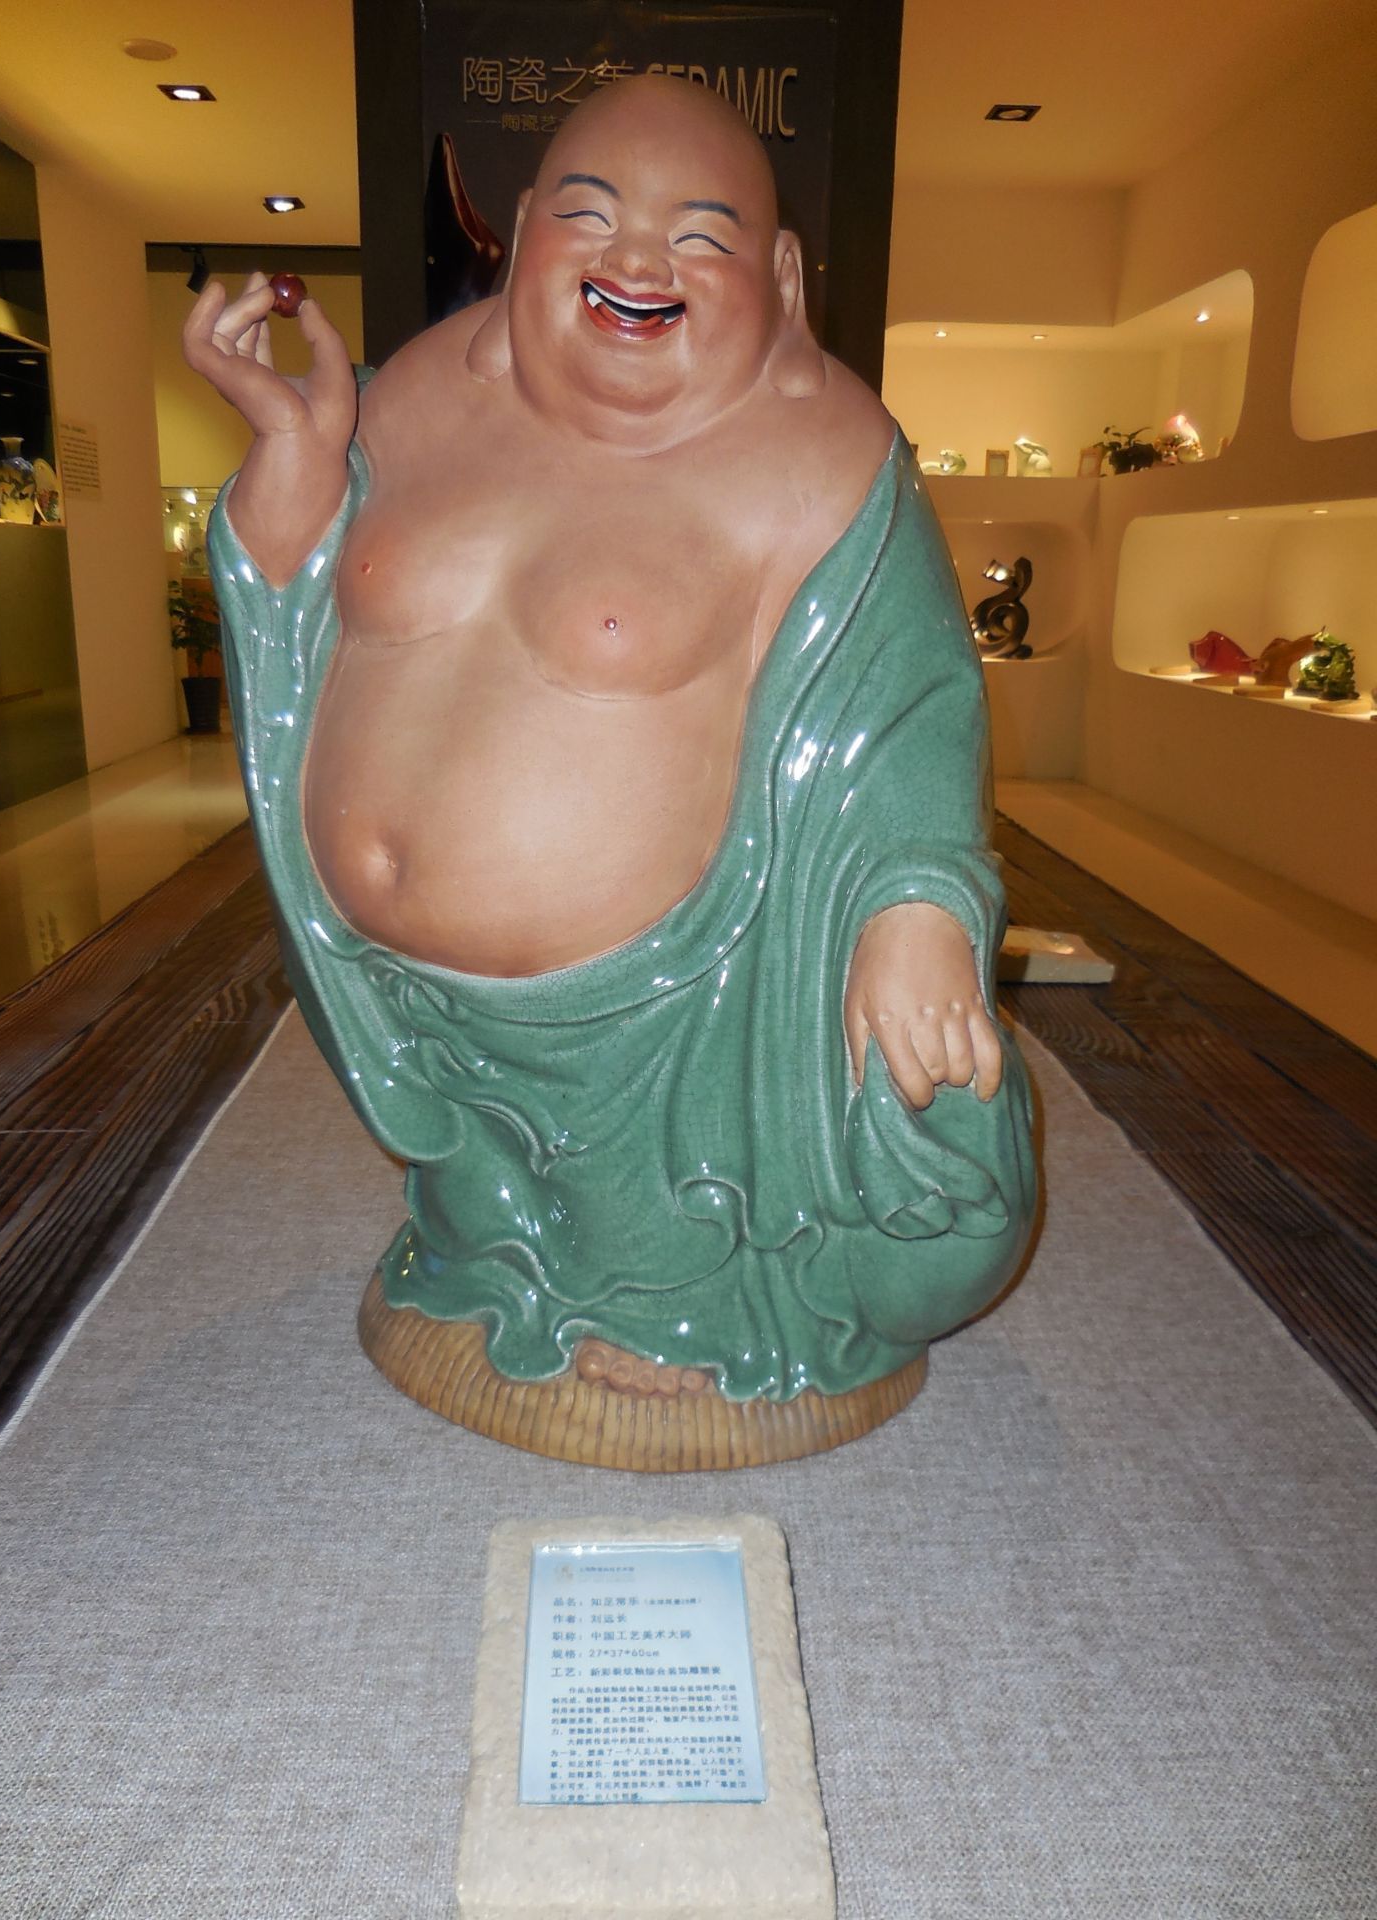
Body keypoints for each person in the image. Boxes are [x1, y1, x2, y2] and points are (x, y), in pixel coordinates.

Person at [185, 75, 1035, 1427]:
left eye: (697, 236)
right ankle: (495, 1241)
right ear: (524, 232)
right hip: (401, 1008)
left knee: (929, 1236)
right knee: (485, 1219)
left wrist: (916, 913)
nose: (637, 260)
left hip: (675, 1026)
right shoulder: (408, 399)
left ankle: (685, 1294)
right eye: (591, 217)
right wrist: (292, 458)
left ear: (781, 276)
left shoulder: (821, 458)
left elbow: (910, 709)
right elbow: (299, 609)